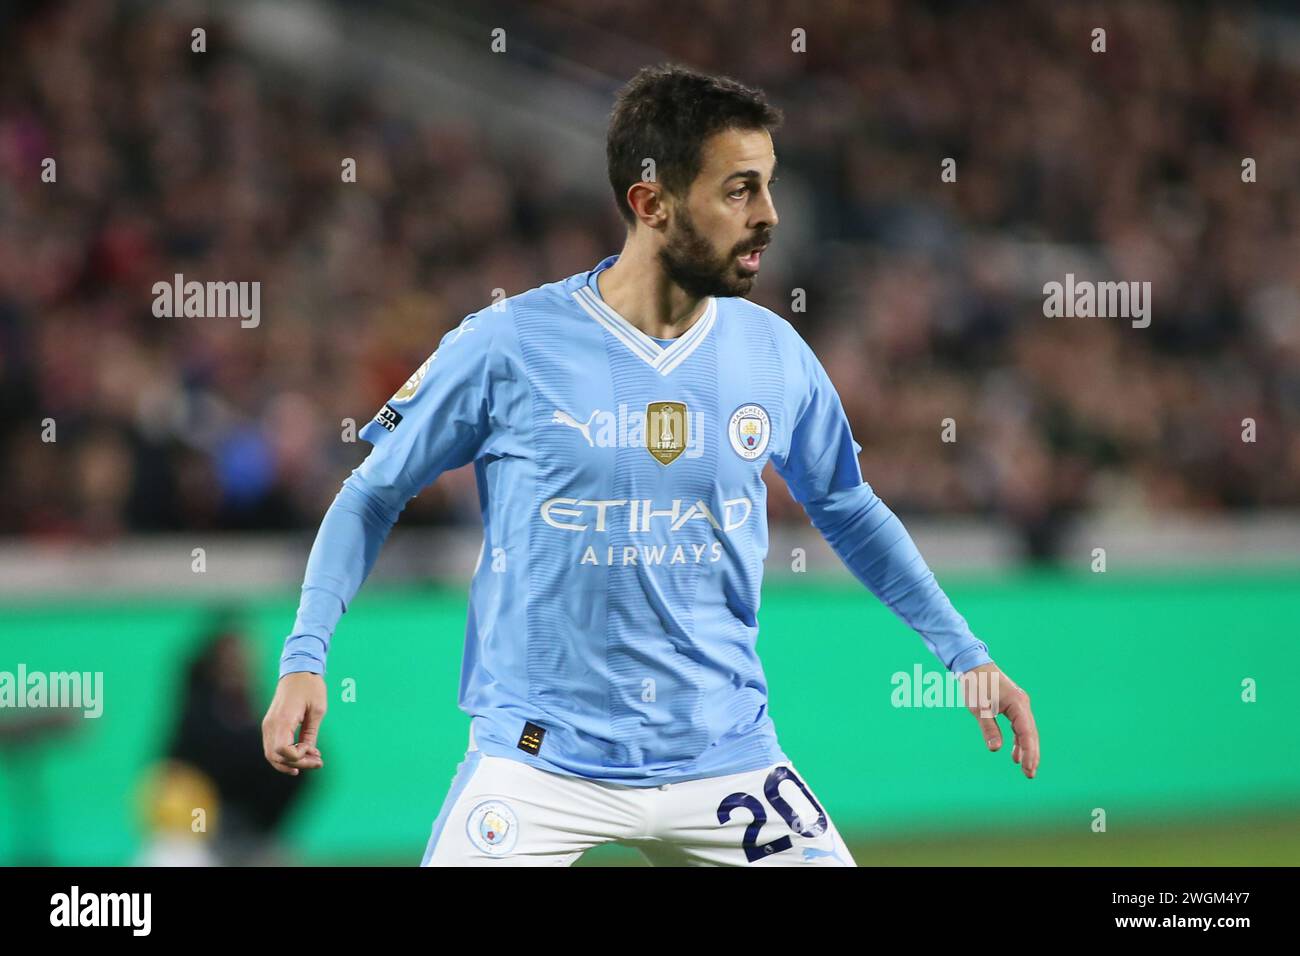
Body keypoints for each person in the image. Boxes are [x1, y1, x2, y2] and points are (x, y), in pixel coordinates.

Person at [262, 64, 1039, 866]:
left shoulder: (773, 354)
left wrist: (967, 654)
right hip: (538, 763)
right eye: (739, 191)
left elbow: (848, 506)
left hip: (726, 758)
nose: (769, 216)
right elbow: (370, 493)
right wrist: (304, 657)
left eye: (768, 187)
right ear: (651, 202)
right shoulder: (509, 344)